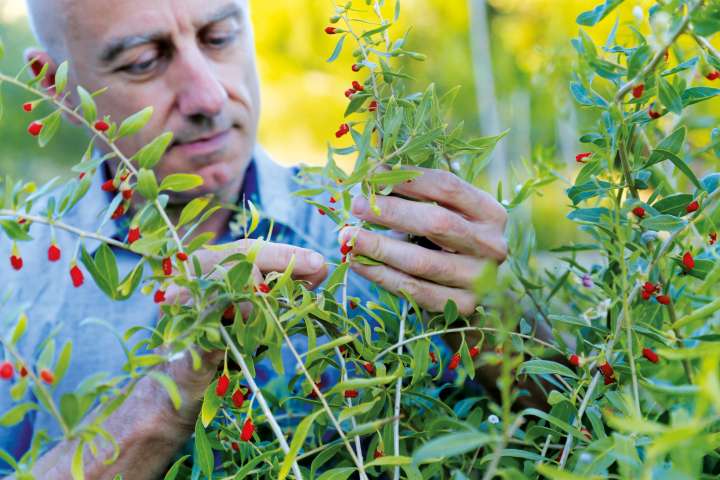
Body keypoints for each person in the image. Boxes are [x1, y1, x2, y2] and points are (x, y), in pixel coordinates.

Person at [0, 0, 508, 478]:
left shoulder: (381, 227)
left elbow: (555, 419)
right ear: (55, 88)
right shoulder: (14, 273)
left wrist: (492, 317)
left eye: (219, 37)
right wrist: (172, 385)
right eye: (142, 61)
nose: (209, 96)